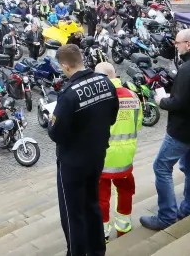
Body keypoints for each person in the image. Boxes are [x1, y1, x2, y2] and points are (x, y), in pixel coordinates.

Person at [141, 29, 190, 231]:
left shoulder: (188, 69)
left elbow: (178, 102)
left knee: (161, 167)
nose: (176, 45)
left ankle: (166, 216)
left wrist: (160, 100)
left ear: (189, 44)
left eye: (177, 43)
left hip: (182, 130)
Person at [47, 44, 119, 256]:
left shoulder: (68, 94)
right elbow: (112, 115)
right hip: (97, 155)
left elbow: (56, 133)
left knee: (72, 213)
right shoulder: (105, 82)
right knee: (92, 203)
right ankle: (97, 250)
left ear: (65, 66)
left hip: (72, 162)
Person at [94, 62, 142, 239]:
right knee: (126, 192)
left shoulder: (99, 98)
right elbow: (137, 124)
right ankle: (123, 227)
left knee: (101, 198)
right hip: (126, 157)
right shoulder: (133, 96)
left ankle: (102, 234)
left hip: (103, 158)